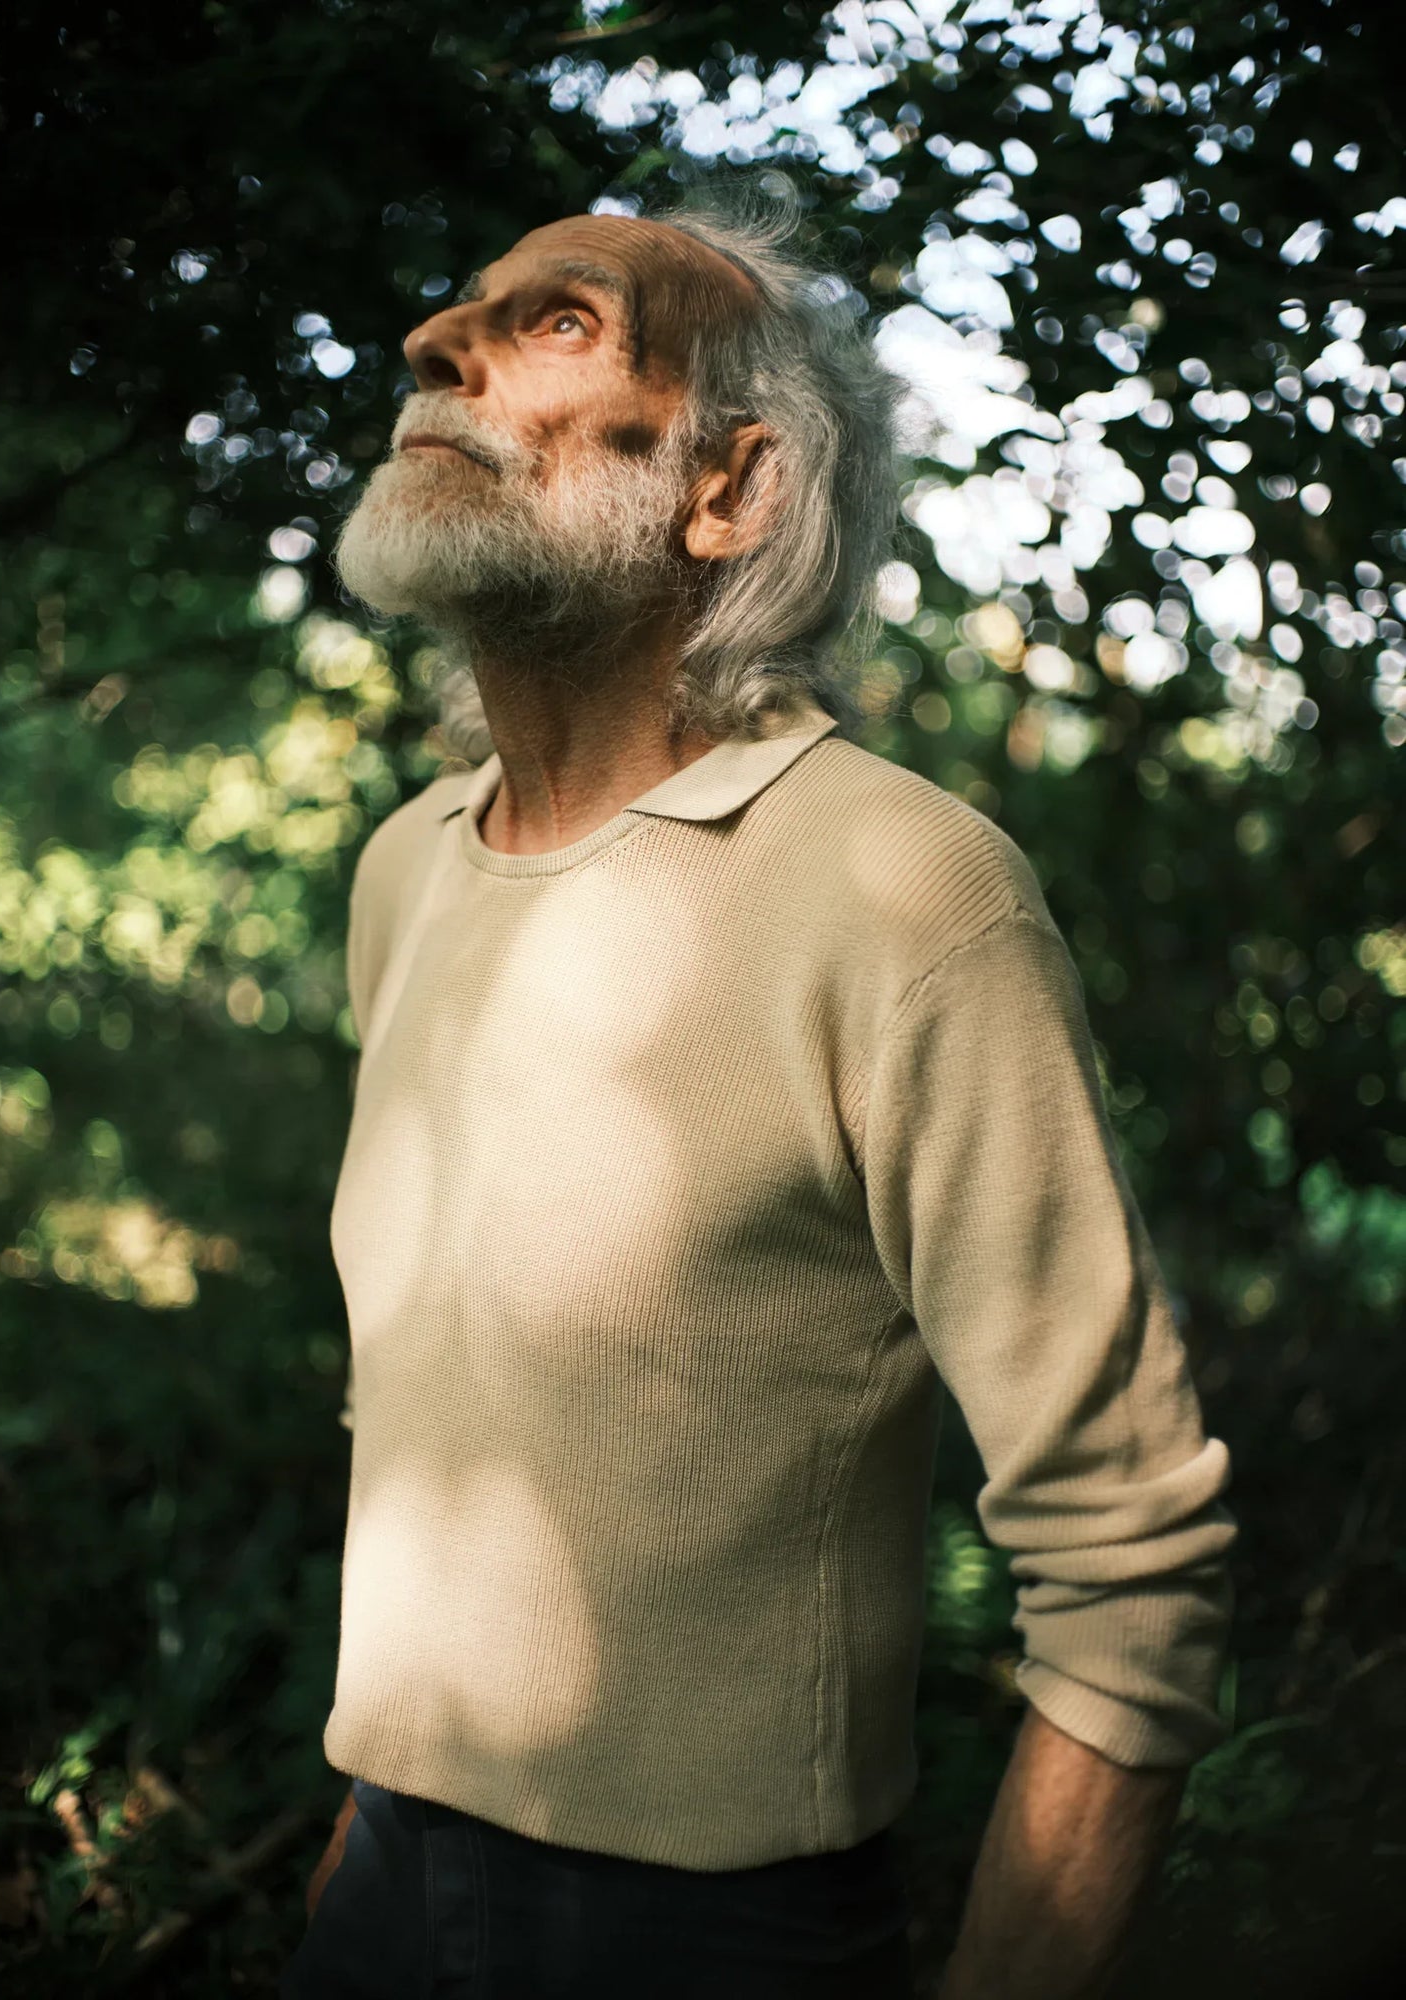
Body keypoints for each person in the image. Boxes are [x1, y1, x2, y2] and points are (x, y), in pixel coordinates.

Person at [282, 185, 1237, 2000]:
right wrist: (365, 1839)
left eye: (559, 319)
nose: (434, 343)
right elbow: (427, 1415)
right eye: (462, 308)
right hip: (381, 1876)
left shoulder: (908, 891)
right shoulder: (407, 867)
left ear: (727, 488)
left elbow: (1134, 1572)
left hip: (716, 1940)